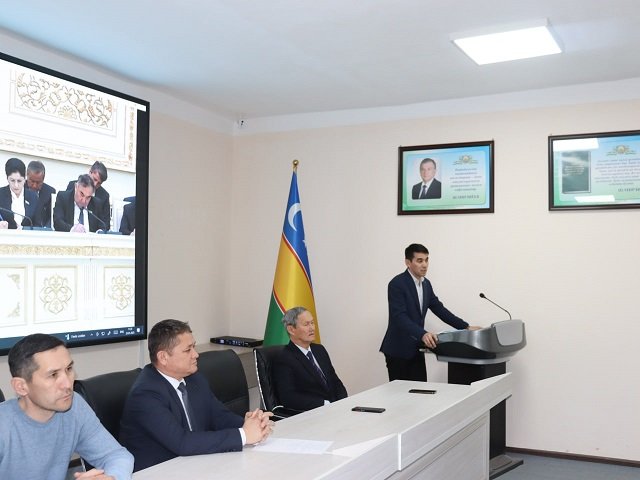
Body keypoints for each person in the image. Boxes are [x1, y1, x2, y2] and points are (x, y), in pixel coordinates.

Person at [120, 319, 273, 472]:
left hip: (194, 462)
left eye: (194, 347)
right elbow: (181, 442)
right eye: (188, 350)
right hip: (159, 471)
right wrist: (244, 435)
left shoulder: (194, 378)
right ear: (163, 357)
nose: (196, 354)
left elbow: (219, 416)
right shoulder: (145, 395)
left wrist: (252, 424)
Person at [0, 333, 134, 479]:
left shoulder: (74, 405)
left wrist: (111, 477)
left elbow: (116, 455)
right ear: (21, 387)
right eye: (53, 375)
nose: (68, 384)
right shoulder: (4, 425)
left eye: (68, 369)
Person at [380, 244, 479, 381]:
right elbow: (399, 316)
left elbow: (439, 309)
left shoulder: (426, 284)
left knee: (421, 391)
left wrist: (465, 327)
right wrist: (423, 334)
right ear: (408, 262)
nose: (425, 265)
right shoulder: (397, 284)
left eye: (426, 260)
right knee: (400, 394)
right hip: (398, 350)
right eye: (419, 260)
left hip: (416, 348)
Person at [273, 307, 347, 411]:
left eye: (312, 323)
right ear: (291, 329)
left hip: (335, 408)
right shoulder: (284, 358)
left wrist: (343, 402)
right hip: (313, 412)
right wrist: (325, 404)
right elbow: (289, 397)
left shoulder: (319, 350)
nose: (312, 328)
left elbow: (335, 381)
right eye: (306, 324)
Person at [66, 161, 110, 229]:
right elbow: (65, 210)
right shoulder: (73, 185)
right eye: (95, 179)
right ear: (90, 172)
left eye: (99, 183)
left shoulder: (104, 196)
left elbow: (106, 224)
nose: (95, 184)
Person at [0, 157, 39, 229]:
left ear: (25, 179)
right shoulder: (1, 194)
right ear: (7, 178)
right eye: (12, 180)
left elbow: (38, 225)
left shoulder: (33, 197)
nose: (16, 185)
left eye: (19, 181)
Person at [26, 160, 57, 228]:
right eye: (32, 181)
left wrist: (46, 228)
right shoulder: (20, 188)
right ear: (27, 175)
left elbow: (51, 216)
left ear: (43, 179)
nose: (34, 185)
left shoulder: (50, 192)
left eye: (38, 182)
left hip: (42, 230)